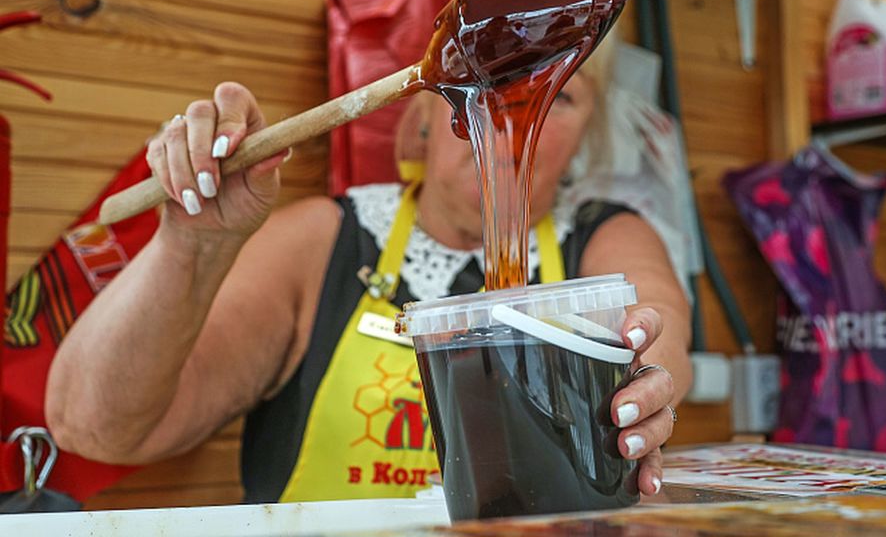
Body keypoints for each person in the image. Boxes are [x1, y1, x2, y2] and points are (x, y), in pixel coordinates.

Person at [45, 41, 692, 503]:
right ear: (422, 124)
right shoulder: (322, 240)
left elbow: (658, 336)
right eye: (484, 80)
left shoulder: (608, 238)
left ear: (588, 140)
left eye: (561, 93)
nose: (507, 113)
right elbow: (94, 427)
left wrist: (642, 386)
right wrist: (193, 244)